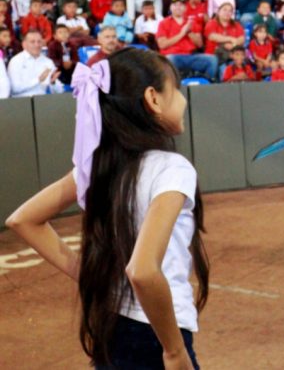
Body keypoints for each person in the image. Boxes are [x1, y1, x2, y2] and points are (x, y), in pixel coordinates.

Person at [5, 48, 209, 368]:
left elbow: (23, 220)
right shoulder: (173, 168)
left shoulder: (98, 167)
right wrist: (173, 351)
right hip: (155, 335)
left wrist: (88, 275)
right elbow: (142, 270)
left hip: (111, 324)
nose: (182, 101)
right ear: (153, 99)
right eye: (177, 91)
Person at [157, 0, 217, 82]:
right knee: (169, 60)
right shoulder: (163, 23)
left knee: (212, 59)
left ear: (185, 8)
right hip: (173, 56)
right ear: (170, 7)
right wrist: (182, 33)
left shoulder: (192, 22)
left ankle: (206, 83)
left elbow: (199, 44)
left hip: (190, 56)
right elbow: (162, 45)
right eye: (175, 5)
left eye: (181, 5)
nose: (178, 7)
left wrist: (189, 32)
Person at [8, 30, 61, 97]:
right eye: (32, 42)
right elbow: (14, 89)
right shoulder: (16, 61)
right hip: (20, 102)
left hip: (43, 101)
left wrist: (53, 82)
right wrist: (38, 80)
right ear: (24, 44)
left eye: (39, 42)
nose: (37, 45)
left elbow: (59, 91)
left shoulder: (48, 62)